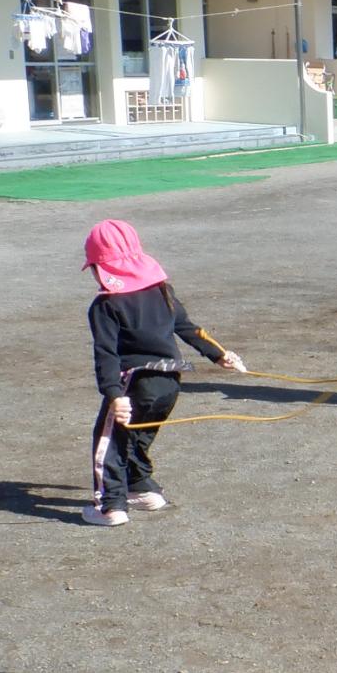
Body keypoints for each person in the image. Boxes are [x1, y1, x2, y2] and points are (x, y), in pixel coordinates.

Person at [83, 219, 244, 526]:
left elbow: (105, 353)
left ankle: (110, 506)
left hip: (134, 381)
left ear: (98, 268)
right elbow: (188, 327)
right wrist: (219, 354)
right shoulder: (162, 290)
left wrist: (114, 395)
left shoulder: (105, 305)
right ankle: (142, 487)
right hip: (170, 382)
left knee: (111, 442)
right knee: (139, 436)